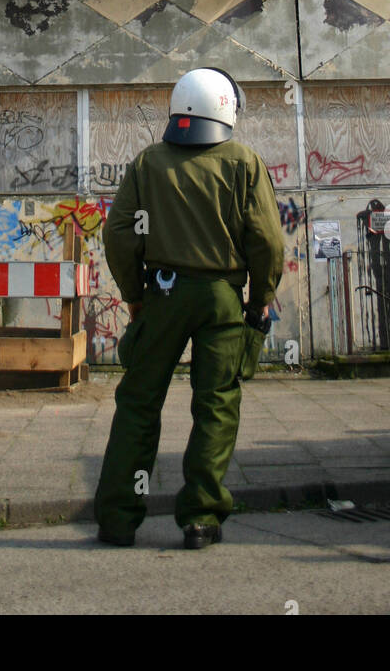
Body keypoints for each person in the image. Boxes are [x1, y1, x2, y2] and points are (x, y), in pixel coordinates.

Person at [94, 67, 285, 550]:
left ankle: (118, 519)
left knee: (139, 402)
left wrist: (135, 295)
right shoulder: (244, 162)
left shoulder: (147, 163)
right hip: (221, 298)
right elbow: (266, 239)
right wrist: (260, 300)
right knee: (216, 403)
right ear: (227, 109)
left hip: (162, 294)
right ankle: (200, 518)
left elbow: (118, 234)